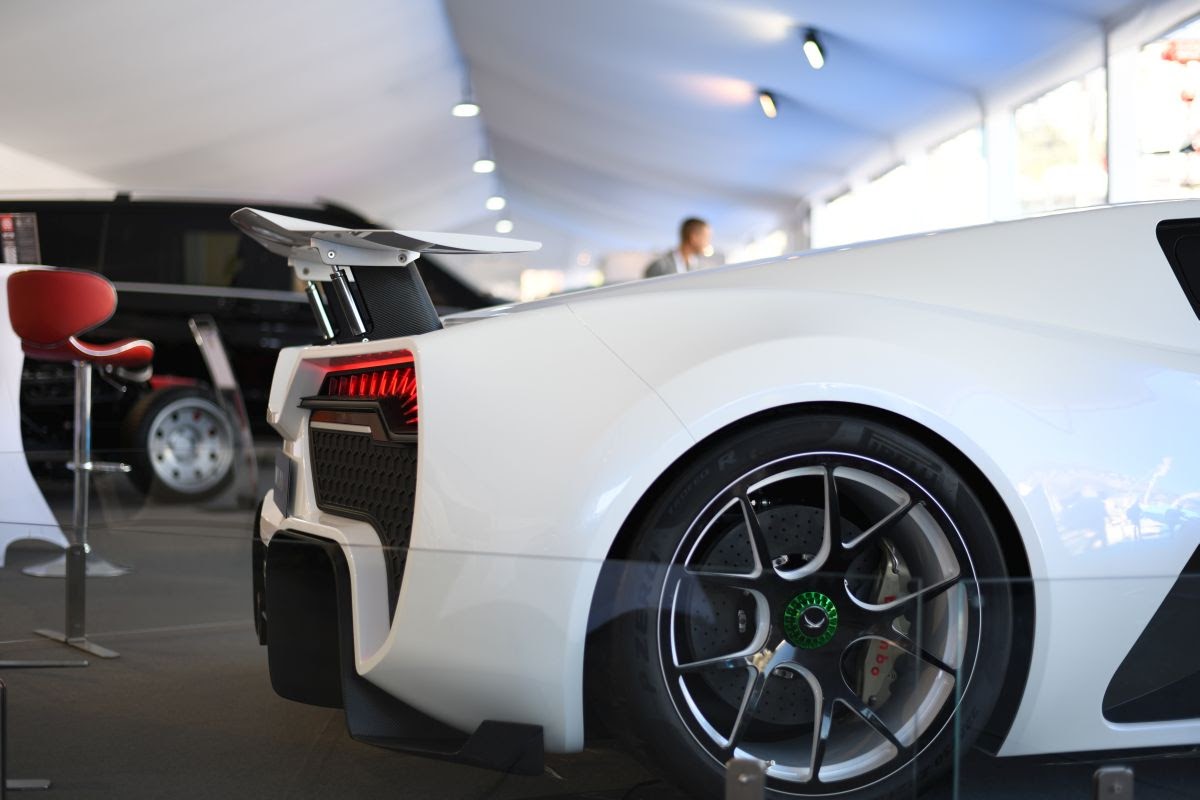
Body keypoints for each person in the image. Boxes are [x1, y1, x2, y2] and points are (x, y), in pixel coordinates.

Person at [643, 217, 711, 278]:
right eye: (706, 238)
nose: (708, 243)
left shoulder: (699, 267)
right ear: (694, 237)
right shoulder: (659, 267)